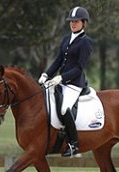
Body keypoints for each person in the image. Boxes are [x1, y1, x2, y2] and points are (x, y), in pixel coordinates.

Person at [38, 6, 93, 157]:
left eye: (76, 21)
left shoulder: (85, 42)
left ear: (84, 23)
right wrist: (46, 75)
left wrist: (61, 77)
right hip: (61, 82)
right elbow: (58, 61)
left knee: (64, 109)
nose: (73, 24)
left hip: (75, 84)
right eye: (71, 21)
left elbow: (79, 68)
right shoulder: (66, 39)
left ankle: (73, 144)